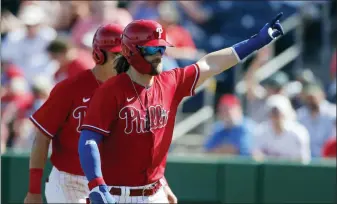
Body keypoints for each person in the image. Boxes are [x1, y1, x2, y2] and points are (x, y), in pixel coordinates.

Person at [78, 13, 285, 203]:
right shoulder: (110, 91)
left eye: (162, 48)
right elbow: (89, 140)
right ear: (130, 51)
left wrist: (256, 42)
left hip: (154, 193)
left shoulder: (171, 82)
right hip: (115, 195)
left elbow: (211, 63)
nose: (160, 54)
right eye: (152, 49)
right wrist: (96, 185)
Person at [23, 24, 124, 204]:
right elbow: (42, 137)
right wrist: (33, 190)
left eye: (127, 54)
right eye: (118, 55)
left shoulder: (130, 90)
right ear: (99, 55)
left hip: (112, 183)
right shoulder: (69, 88)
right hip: (70, 182)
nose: (124, 61)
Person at [253, 95, 311, 163]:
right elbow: (256, 156)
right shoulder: (260, 131)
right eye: (272, 112)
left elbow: (303, 160)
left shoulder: (299, 133)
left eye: (278, 112)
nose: (275, 116)